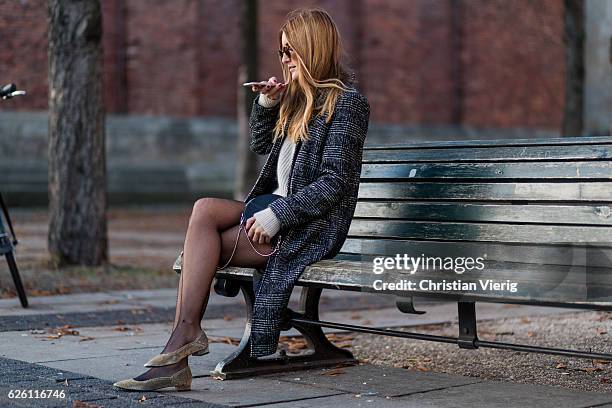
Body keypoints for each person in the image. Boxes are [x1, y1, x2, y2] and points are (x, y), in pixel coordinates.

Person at [113, 7, 370, 392]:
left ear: (313, 49)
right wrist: (267, 105)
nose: (284, 59)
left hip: (308, 227)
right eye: (281, 52)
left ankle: (179, 350)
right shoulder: (297, 101)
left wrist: (278, 216)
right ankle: (185, 336)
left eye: (291, 51)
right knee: (204, 209)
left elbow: (334, 182)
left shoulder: (346, 104)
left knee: (209, 242)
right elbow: (260, 145)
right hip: (276, 209)